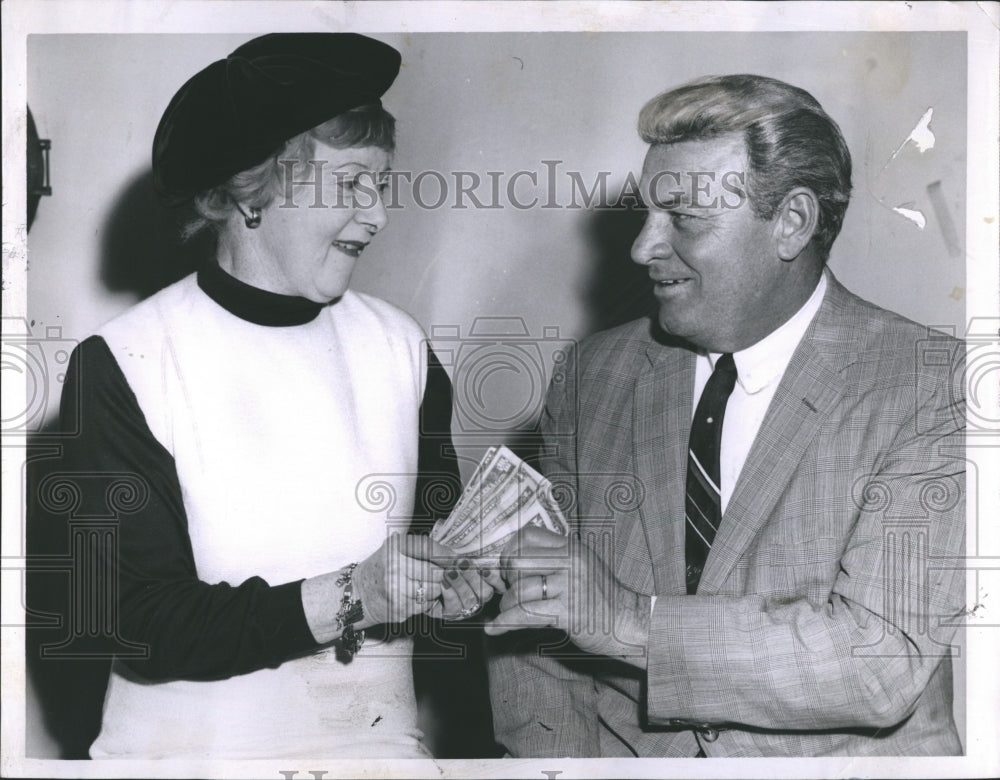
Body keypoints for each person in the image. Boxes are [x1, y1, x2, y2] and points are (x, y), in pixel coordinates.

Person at [36, 33, 495, 759]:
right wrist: (355, 596)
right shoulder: (127, 362)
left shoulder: (400, 348)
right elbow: (135, 620)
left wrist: (465, 589)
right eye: (349, 186)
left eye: (381, 185)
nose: (376, 216)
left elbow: (441, 566)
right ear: (253, 191)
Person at [486, 74, 966, 757]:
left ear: (792, 223)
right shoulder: (592, 374)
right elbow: (533, 631)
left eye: (682, 217)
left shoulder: (931, 384)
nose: (641, 247)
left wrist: (626, 621)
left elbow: (879, 661)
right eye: (649, 213)